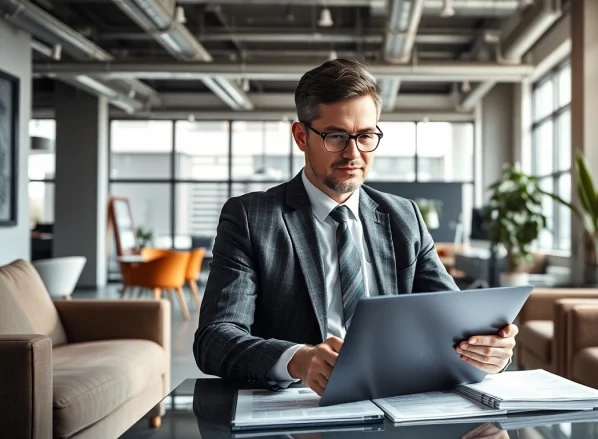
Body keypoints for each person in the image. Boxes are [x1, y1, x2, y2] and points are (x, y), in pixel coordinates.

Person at [193, 59, 518, 396]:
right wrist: (297, 360)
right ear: (301, 136)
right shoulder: (251, 218)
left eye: (365, 136)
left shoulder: (403, 217)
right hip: (301, 408)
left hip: (399, 401)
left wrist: (488, 351)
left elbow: (454, 322)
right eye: (336, 136)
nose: (353, 154)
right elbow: (214, 338)